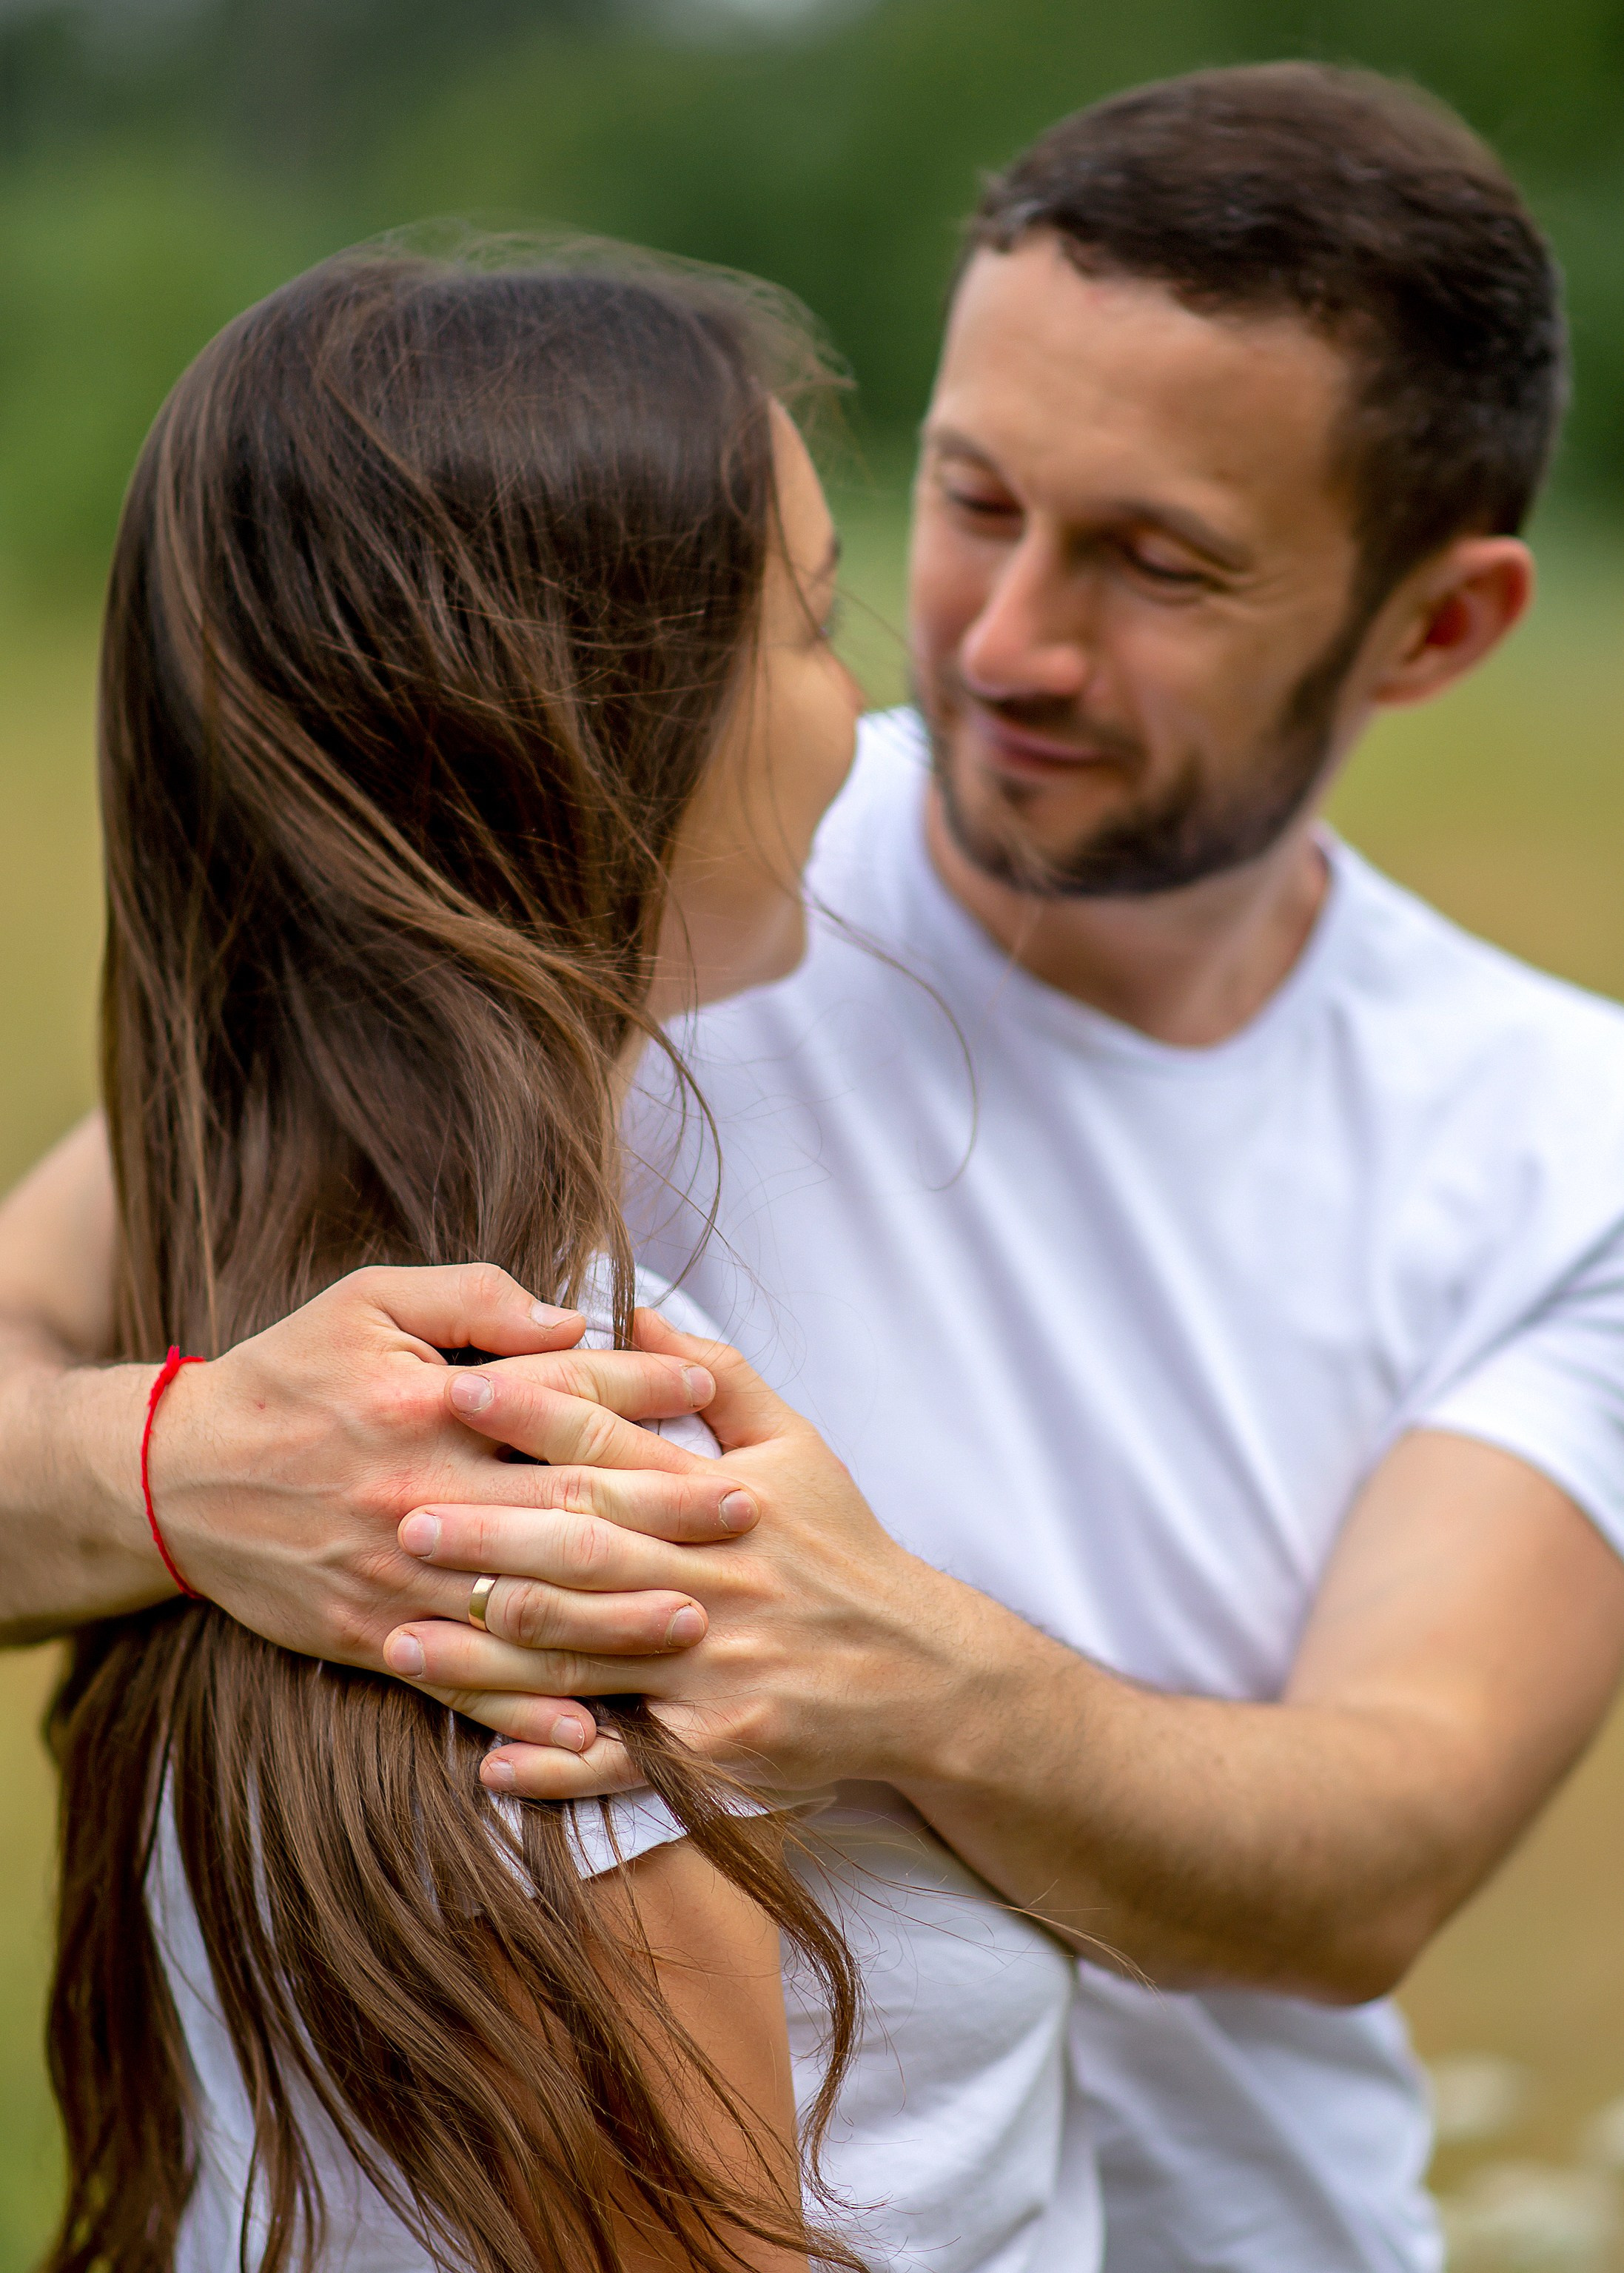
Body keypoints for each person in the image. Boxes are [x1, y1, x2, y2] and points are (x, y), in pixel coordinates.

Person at [3, 58, 1623, 2273]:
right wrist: (180, 1465)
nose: (987, 650)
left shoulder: (1556, 1143)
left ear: (1433, 627)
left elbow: (1375, 1854)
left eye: (1159, 564)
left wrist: (916, 1675)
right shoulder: (599, 874)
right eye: (966, 501)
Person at [36, 243, 1095, 2273]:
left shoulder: (248, 1242)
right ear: (596, 738)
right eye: (802, 629)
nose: (860, 707)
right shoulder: (566, 1451)